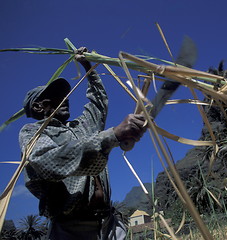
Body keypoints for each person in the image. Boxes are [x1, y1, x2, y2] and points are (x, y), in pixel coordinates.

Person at [19, 47, 146, 240]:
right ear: (37, 106)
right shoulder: (32, 132)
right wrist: (112, 135)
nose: (65, 98)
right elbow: (49, 161)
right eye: (56, 95)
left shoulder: (81, 128)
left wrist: (88, 66)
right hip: (72, 229)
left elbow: (98, 103)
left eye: (65, 94)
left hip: (109, 224)